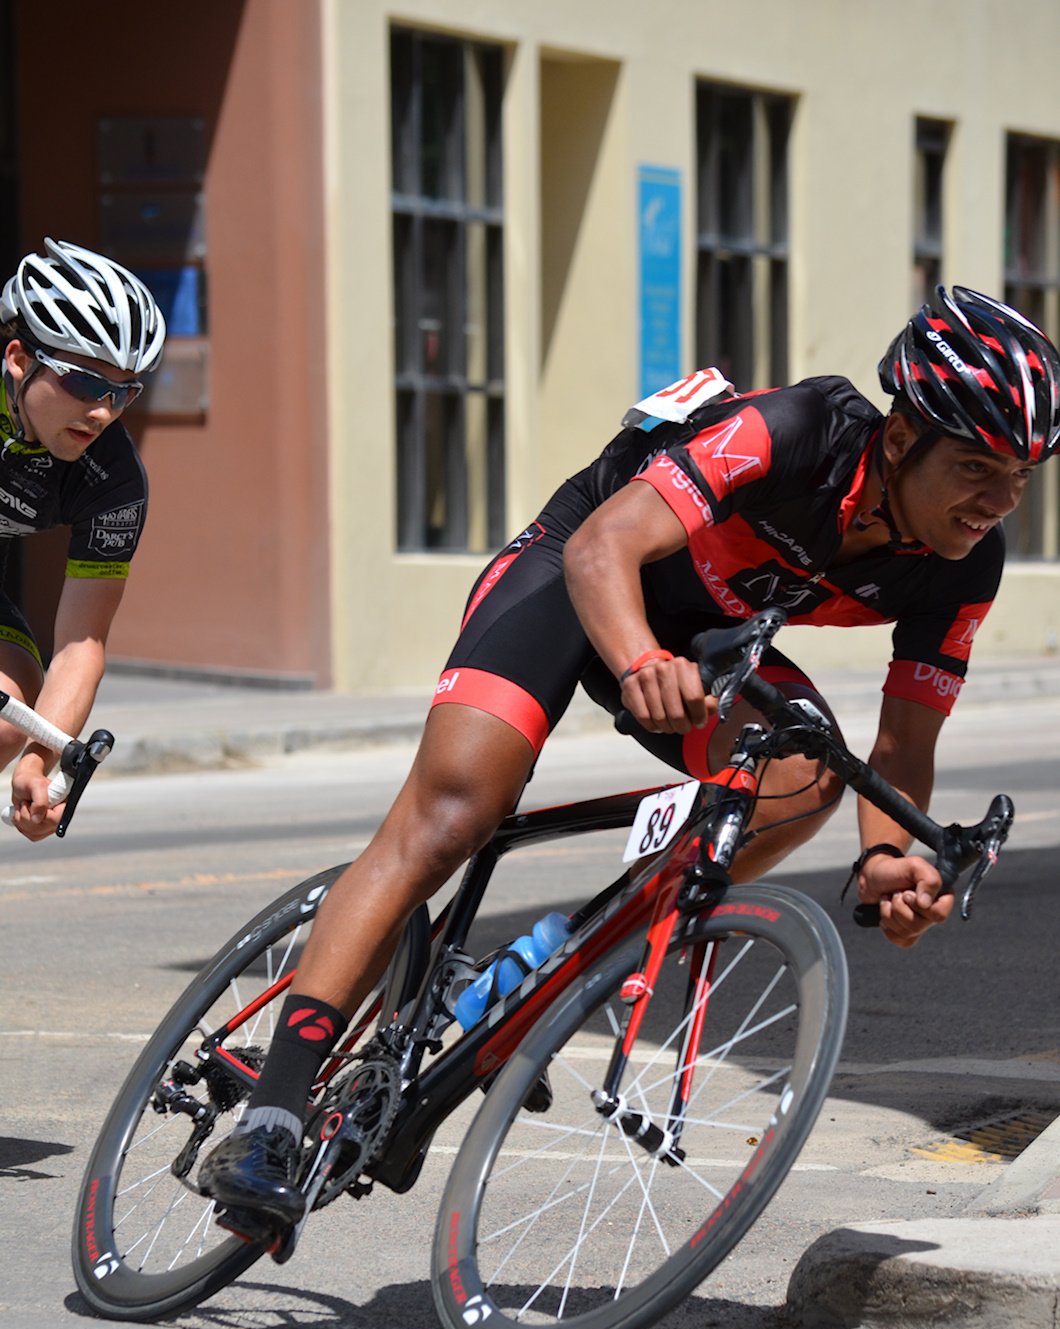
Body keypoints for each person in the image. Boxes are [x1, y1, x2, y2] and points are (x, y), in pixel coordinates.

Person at [199, 284, 1060, 1233]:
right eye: (978, 466)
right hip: (580, 569)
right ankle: (272, 1117)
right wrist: (639, 657)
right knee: (452, 817)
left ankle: (553, 964)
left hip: (706, 632)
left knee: (805, 770)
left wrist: (887, 858)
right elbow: (605, 547)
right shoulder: (800, 428)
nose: (998, 499)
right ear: (900, 443)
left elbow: (901, 744)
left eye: (1021, 477)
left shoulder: (965, 562)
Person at [0, 237, 166, 840]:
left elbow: (80, 643)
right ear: (20, 358)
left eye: (124, 392)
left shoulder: (114, 479)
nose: (103, 412)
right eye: (86, 383)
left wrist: (44, 758)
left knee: (10, 720)